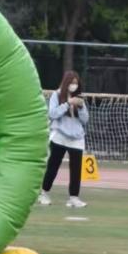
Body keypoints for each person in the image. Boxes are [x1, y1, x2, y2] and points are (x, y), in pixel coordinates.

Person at [38, 70, 90, 208]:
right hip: (60, 136)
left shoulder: (79, 97)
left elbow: (85, 120)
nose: (73, 85)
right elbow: (52, 114)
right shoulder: (57, 95)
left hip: (77, 138)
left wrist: (81, 107)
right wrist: (68, 103)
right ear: (66, 82)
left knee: (76, 169)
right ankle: (44, 193)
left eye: (76, 83)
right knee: (53, 166)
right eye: (71, 83)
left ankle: (74, 197)